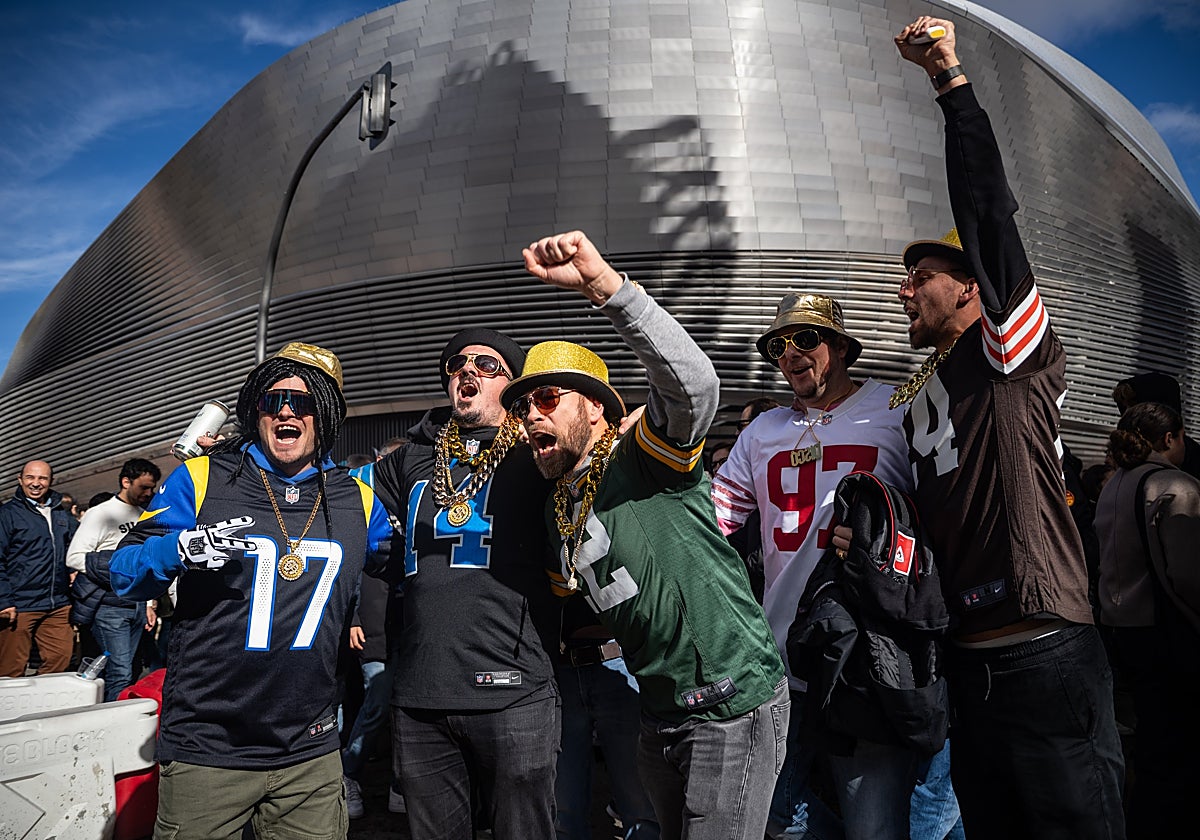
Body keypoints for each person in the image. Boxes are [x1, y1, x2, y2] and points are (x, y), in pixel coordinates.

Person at [879, 17, 1126, 839]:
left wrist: (950, 83)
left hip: (1041, 641)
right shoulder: (920, 390)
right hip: (967, 653)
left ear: (975, 289)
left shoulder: (1007, 348)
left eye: (922, 278)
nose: (906, 292)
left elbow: (988, 214)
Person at [501, 230, 787, 840]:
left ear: (598, 408)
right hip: (657, 715)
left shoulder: (643, 455)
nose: (532, 415)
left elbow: (695, 388)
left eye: (549, 397)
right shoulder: (558, 508)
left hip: (728, 704)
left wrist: (605, 287)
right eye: (524, 406)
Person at [109, 342, 393, 840]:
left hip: (311, 751)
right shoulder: (201, 479)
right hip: (209, 747)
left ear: (326, 415)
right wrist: (177, 550)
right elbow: (122, 572)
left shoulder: (358, 500)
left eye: (303, 402)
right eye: (272, 400)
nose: (286, 411)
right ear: (254, 410)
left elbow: (411, 563)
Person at [712, 293, 955, 840]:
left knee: (873, 823)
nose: (790, 353)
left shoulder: (895, 408)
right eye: (779, 345)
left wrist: (889, 541)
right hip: (780, 658)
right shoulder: (763, 430)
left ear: (840, 346)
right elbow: (714, 518)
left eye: (806, 339)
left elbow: (945, 509)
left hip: (867, 655)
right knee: (777, 817)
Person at [368, 330, 559, 840]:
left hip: (513, 691)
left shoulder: (540, 454)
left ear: (514, 386)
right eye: (458, 363)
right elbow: (334, 498)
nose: (468, 370)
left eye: (488, 365)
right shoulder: (409, 460)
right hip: (420, 695)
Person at [1094, 401, 1200, 838]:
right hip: (1171, 635)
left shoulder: (1113, 484)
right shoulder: (1176, 486)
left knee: (1153, 741)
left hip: (1123, 632)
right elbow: (1190, 576)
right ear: (1169, 438)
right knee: (1180, 749)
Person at [342, 436, 409, 820]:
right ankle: (347, 772)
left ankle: (400, 785)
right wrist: (352, 619)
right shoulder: (365, 499)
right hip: (373, 620)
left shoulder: (422, 499)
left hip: (413, 621)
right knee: (377, 701)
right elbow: (352, 563)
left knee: (410, 708)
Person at [66, 457, 162, 701]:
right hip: (109, 607)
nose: (149, 493)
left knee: (128, 669)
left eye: (152, 488)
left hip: (137, 606)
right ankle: (109, 722)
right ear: (126, 482)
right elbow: (75, 557)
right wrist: (117, 570)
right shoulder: (101, 513)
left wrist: (150, 604)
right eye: (144, 487)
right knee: (119, 671)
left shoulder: (145, 515)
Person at [0, 460, 78, 677]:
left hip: (58, 603)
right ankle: (10, 710)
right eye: (30, 478)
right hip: (20, 604)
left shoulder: (61, 513)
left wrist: (73, 568)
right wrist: (4, 600)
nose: (36, 483)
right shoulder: (7, 514)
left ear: (50, 481)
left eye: (42, 478)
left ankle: (39, 705)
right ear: (20, 480)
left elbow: (76, 545)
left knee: (60, 660)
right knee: (10, 670)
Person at [1112, 371, 1200, 480]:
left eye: (1133, 407)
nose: (1126, 415)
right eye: (1124, 408)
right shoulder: (1127, 456)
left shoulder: (1192, 460)